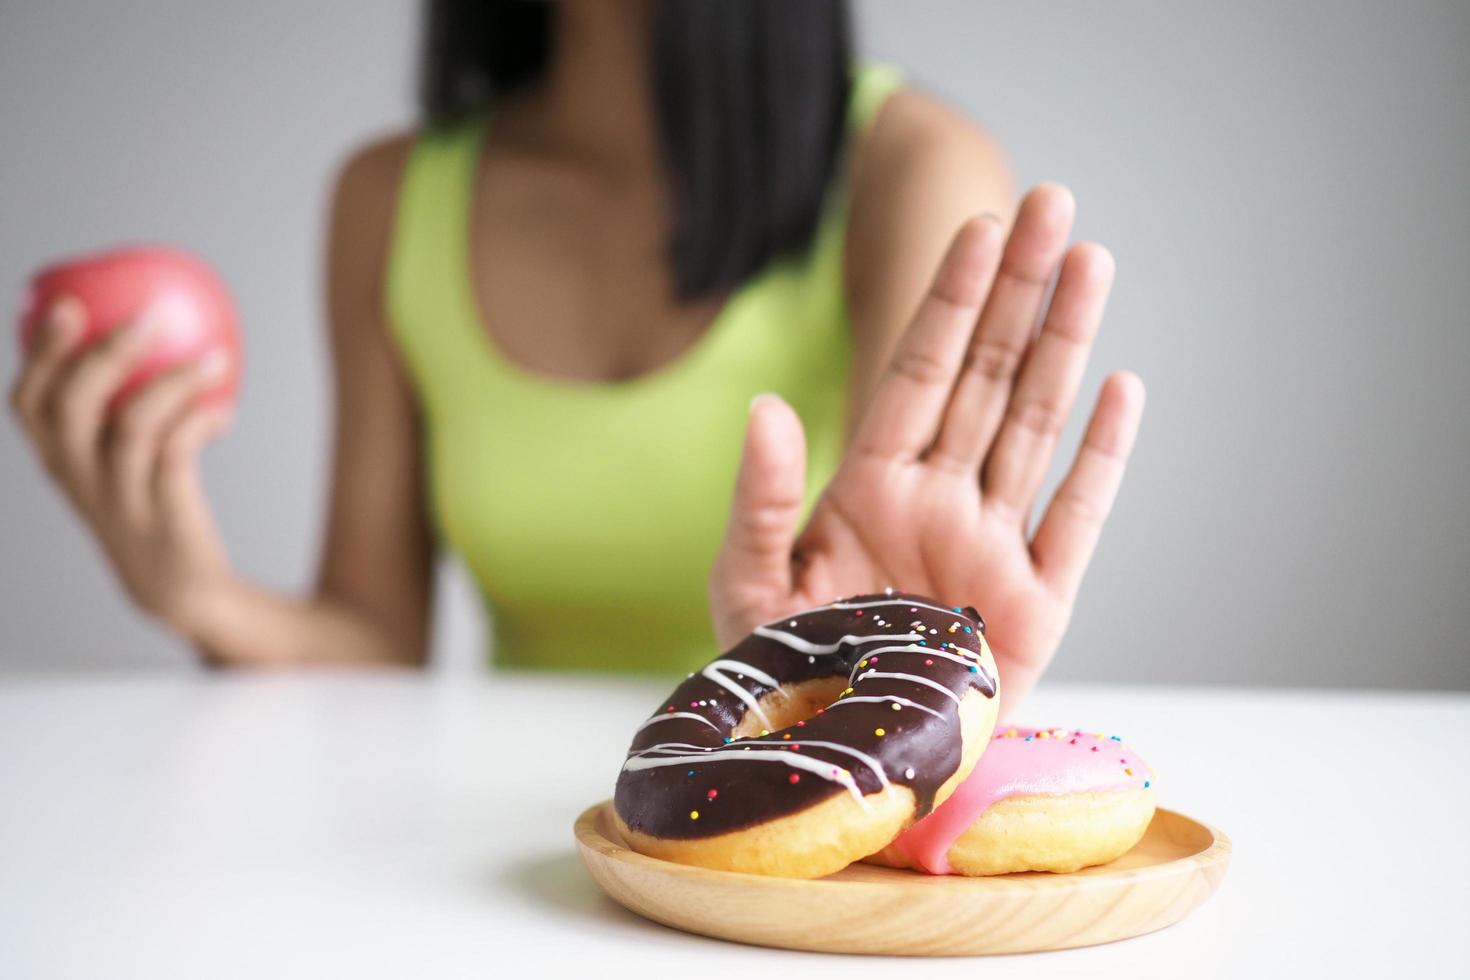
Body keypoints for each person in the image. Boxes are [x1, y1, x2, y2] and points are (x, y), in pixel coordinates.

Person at [8, 0, 1143, 713]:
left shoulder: (911, 168)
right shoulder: (389, 196)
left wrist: (894, 655)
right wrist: (192, 591)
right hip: (500, 856)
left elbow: (916, 608)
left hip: (810, 830)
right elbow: (373, 642)